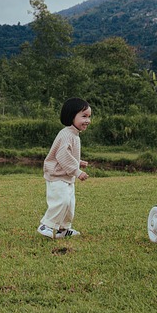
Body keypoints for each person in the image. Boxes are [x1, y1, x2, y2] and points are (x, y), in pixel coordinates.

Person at [38, 97, 91, 239]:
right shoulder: (67, 134)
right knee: (60, 201)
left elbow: (67, 154)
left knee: (69, 204)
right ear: (71, 116)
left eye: (89, 117)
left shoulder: (74, 134)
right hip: (57, 176)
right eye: (84, 116)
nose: (88, 120)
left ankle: (63, 229)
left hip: (66, 176)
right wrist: (77, 171)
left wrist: (78, 161)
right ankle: (46, 225)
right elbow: (62, 156)